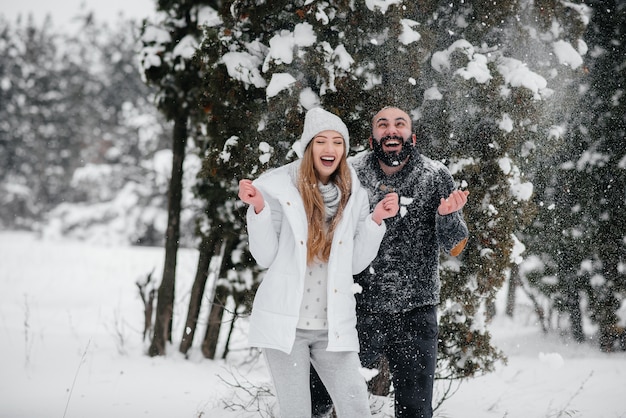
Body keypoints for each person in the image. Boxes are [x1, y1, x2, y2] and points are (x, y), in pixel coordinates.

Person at [239, 107, 399, 418]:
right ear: (309, 146)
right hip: (287, 326)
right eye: (322, 141)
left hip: (331, 327)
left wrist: (376, 221)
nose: (330, 149)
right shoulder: (278, 189)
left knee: (356, 408)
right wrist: (258, 209)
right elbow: (265, 256)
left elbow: (354, 263)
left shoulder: (354, 195)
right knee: (296, 412)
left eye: (338, 142)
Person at [312, 106, 469, 417]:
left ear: (412, 135)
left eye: (400, 124)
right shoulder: (350, 172)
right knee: (320, 397)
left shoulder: (435, 176)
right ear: (372, 138)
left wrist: (447, 217)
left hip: (416, 311)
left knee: (415, 410)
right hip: (356, 307)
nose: (391, 130)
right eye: (382, 125)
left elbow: (455, 246)